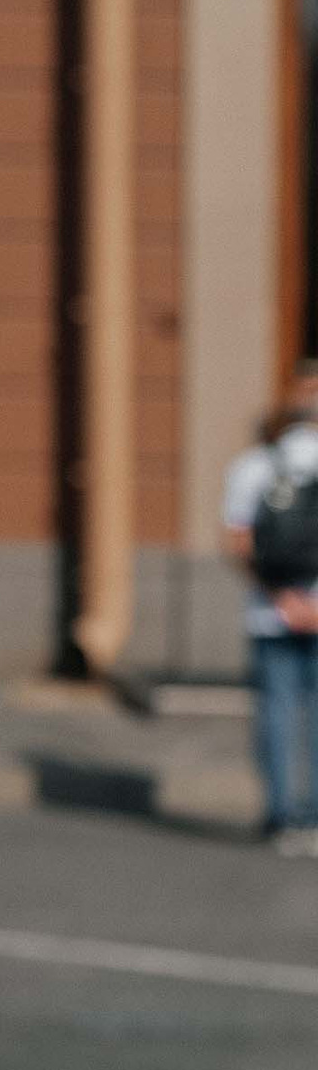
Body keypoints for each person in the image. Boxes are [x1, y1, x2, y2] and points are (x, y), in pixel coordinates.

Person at [223, 361, 318, 854]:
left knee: (278, 714)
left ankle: (282, 817)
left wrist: (280, 595)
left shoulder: (255, 465)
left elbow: (239, 539)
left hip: (270, 609)